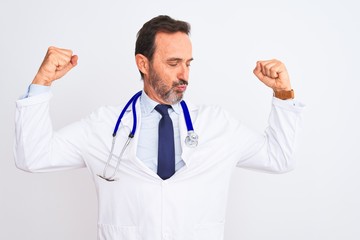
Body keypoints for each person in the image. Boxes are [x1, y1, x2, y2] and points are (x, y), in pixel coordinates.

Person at [14, 15, 304, 240]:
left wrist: (283, 94)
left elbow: (279, 158)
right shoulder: (104, 126)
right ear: (143, 63)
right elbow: (34, 157)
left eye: (188, 63)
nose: (184, 74)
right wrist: (42, 83)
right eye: (173, 62)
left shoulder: (218, 125)